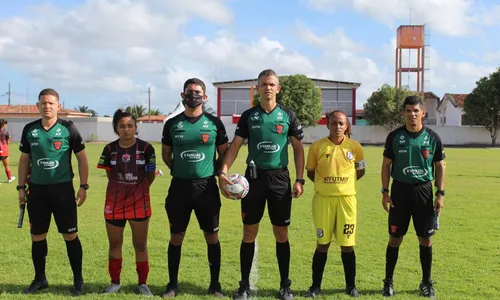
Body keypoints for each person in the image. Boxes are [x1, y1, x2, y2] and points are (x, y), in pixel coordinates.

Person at [218, 69, 305, 300]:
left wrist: (299, 179)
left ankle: (285, 285)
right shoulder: (249, 116)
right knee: (249, 232)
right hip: (252, 181)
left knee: (281, 233)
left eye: (271, 84)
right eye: (263, 84)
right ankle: (244, 285)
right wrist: (223, 171)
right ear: (257, 88)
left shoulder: (288, 115)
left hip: (280, 180)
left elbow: (297, 149)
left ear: (278, 88)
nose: (267, 87)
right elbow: (235, 146)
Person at [17, 88, 89, 296]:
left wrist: (83, 186)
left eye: (51, 103)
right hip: (37, 192)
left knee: (70, 235)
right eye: (43, 103)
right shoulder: (30, 130)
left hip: (63, 191)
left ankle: (78, 280)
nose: (47, 106)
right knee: (37, 236)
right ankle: (40, 279)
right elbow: (23, 161)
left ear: (58, 105)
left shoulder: (68, 128)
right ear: (37, 106)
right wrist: (21, 189)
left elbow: (82, 158)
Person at [161, 78, 229, 298]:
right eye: (189, 92)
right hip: (179, 187)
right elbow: (166, 155)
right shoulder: (172, 124)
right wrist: (182, 170)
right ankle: (172, 285)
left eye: (198, 92)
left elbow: (224, 154)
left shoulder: (214, 123)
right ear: (182, 95)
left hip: (206, 188)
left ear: (205, 97)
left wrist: (215, 172)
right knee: (176, 237)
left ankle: (215, 285)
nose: (193, 96)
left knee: (212, 237)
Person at [381, 95, 446, 298]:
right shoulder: (394, 136)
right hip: (400, 192)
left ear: (423, 113)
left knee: (425, 239)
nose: (412, 114)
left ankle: (426, 283)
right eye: (408, 111)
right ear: (403, 113)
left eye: (416, 111)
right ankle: (388, 282)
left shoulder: (433, 137)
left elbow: (440, 167)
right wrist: (385, 192)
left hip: (424, 192)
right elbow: (385, 166)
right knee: (395, 238)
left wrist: (440, 194)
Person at [304, 110, 365, 298]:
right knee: (322, 243)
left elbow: (360, 171)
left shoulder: (355, 147)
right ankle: (315, 286)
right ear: (327, 125)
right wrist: (327, 185)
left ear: (346, 126)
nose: (337, 127)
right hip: (323, 200)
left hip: (347, 201)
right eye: (333, 123)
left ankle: (351, 286)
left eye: (341, 123)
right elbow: (311, 173)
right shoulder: (317, 147)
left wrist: (343, 185)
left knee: (348, 245)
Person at [97, 109, 157, 296]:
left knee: (140, 245)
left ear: (136, 127)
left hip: (140, 202)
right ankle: (115, 283)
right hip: (114, 203)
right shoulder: (109, 149)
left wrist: (138, 189)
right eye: (121, 126)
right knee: (115, 244)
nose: (126, 129)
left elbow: (150, 176)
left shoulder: (147, 148)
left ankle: (142, 284)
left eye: (130, 125)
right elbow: (110, 175)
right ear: (116, 128)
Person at [0, 119, 15, 183]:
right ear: (3, 124)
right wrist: (9, 138)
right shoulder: (5, 132)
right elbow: (7, 142)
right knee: (6, 166)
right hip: (4, 151)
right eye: (6, 124)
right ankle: (9, 178)